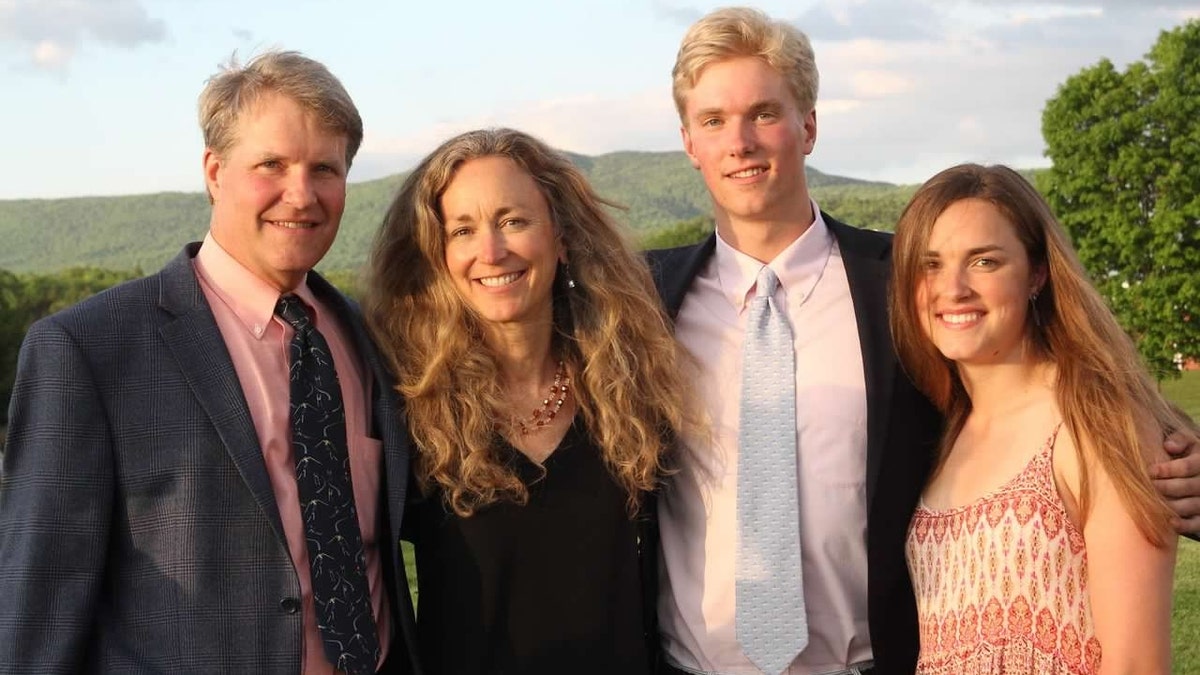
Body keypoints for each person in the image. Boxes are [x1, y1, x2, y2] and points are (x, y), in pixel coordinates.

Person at [647, 7, 1200, 675]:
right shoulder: (643, 300)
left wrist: (1178, 457)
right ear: (688, 141)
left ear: (809, 126)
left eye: (764, 113)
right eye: (713, 121)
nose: (740, 142)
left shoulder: (908, 287)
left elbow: (1044, 382)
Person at [0, 51, 418, 673]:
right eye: (271, 164)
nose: (300, 194)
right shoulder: (87, 349)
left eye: (324, 168)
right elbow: (38, 608)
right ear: (215, 171)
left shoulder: (368, 339)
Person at [363, 127, 692, 674]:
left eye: (513, 221)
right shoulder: (407, 406)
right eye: (462, 230)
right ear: (437, 254)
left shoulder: (631, 386)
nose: (491, 251)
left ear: (560, 238)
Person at [891, 163, 1189, 674]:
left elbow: (1137, 664)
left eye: (984, 262)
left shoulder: (1095, 422)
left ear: (1037, 272)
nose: (953, 288)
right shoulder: (942, 429)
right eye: (930, 264)